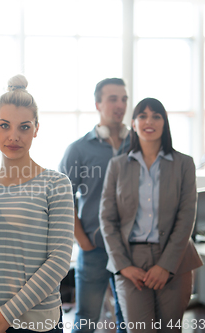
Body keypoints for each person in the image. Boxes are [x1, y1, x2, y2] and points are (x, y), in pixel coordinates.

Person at [0, 74, 74, 333]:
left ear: (36, 128)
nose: (13, 136)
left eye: (24, 127)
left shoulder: (56, 183)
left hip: (39, 323)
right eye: (4, 125)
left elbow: (59, 260)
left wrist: (5, 316)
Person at [100, 98, 203, 333]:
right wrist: (123, 266)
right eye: (142, 116)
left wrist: (166, 265)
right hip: (130, 259)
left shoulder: (184, 164)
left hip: (174, 258)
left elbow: (186, 216)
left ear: (164, 123)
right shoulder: (117, 166)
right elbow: (107, 219)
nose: (149, 121)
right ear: (134, 124)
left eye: (156, 116)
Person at [59, 78, 129, 333]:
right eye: (113, 99)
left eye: (124, 99)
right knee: (86, 320)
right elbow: (63, 200)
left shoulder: (138, 145)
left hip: (132, 250)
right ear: (98, 104)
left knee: (129, 320)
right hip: (94, 249)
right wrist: (84, 242)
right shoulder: (78, 149)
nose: (120, 105)